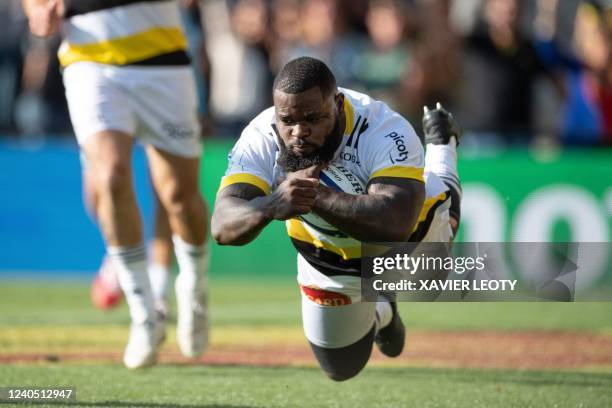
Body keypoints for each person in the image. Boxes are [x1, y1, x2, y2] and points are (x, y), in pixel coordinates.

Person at [211, 57, 461, 381]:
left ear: (338, 104)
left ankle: (443, 149)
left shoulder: (385, 129)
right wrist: (271, 205)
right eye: (288, 120)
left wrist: (311, 195)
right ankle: (383, 310)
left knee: (436, 277)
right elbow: (221, 225)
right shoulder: (261, 134)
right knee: (340, 368)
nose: (299, 132)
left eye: (313, 118)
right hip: (326, 259)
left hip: (405, 245)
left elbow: (394, 223)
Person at [22, 0, 210, 369]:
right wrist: (36, 11)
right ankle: (144, 315)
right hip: (88, 63)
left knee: (179, 197)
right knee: (108, 177)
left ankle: (194, 289)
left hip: (162, 62)